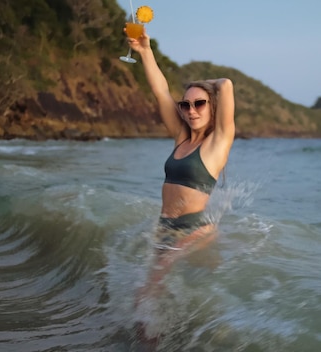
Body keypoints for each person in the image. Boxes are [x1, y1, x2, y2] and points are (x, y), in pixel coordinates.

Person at [127, 29, 235, 299]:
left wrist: (206, 85)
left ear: (212, 107)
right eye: (185, 105)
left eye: (199, 104)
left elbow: (226, 85)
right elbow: (161, 91)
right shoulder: (180, 138)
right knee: (167, 293)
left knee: (148, 288)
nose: (191, 110)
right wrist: (145, 51)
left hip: (194, 229)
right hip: (165, 228)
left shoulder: (217, 143)